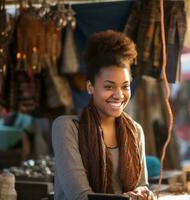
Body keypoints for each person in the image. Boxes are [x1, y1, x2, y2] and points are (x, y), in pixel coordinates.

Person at [52, 30, 153, 200]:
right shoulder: (66, 127)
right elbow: (81, 197)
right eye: (108, 87)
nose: (119, 95)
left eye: (125, 86)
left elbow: (141, 183)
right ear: (90, 87)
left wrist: (142, 192)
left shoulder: (135, 130)